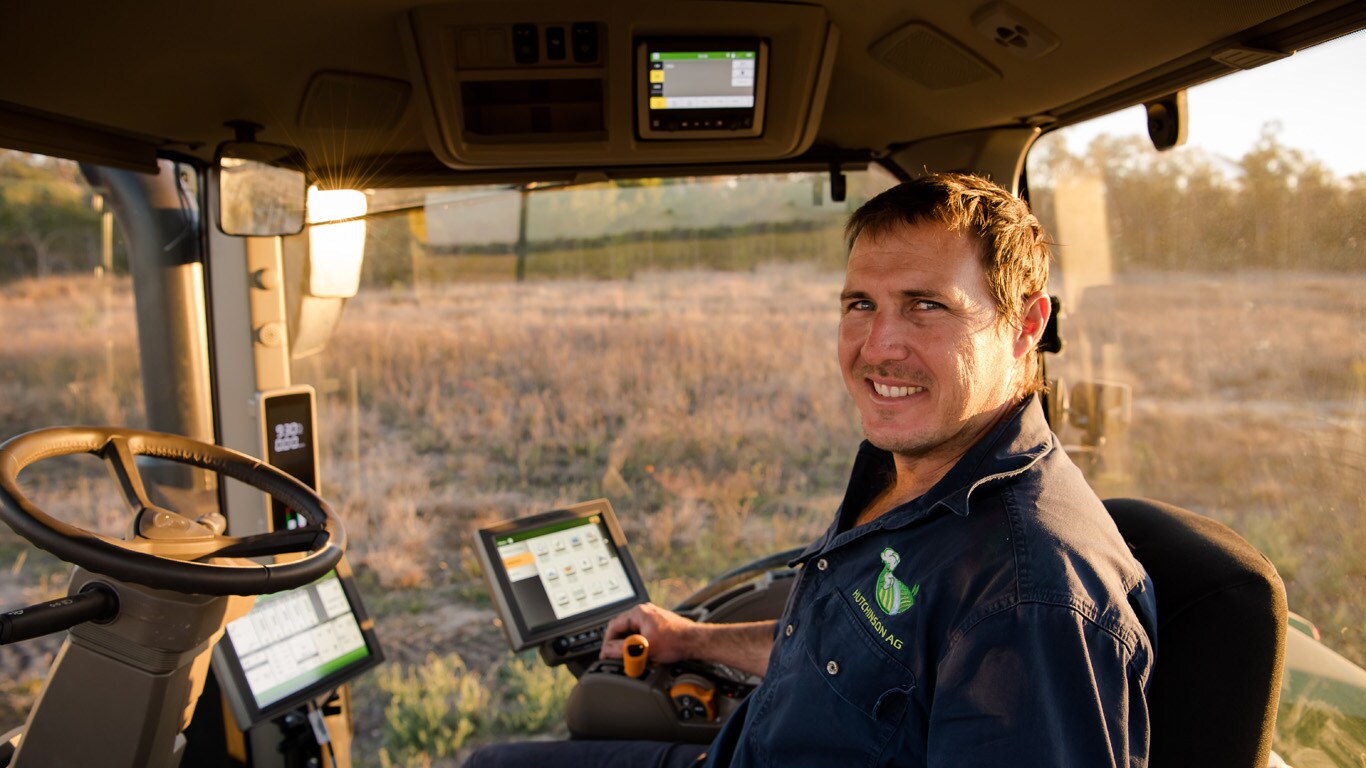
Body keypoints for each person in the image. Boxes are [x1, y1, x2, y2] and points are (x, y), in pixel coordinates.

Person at [463, 173, 1157, 767]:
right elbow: (843, 658)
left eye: (926, 306)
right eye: (861, 305)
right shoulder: (912, 473)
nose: (879, 348)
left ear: (1025, 326)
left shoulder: (1032, 596)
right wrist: (693, 639)